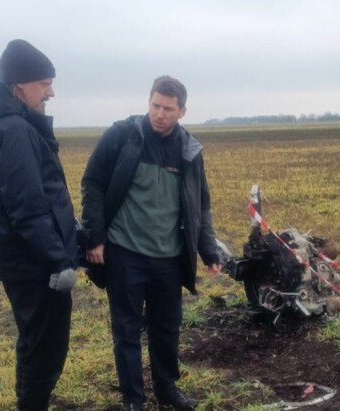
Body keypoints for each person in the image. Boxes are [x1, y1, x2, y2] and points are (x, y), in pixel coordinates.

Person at [81, 75, 222, 411]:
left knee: (166, 328)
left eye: (168, 109)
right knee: (127, 331)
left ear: (182, 112)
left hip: (168, 258)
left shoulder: (188, 150)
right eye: (155, 105)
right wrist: (95, 238)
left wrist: (208, 250)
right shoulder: (122, 136)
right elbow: (93, 184)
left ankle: (166, 388)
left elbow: (199, 203)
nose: (159, 114)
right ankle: (133, 399)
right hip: (124, 253)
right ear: (149, 102)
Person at [0, 39, 78, 411]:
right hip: (35, 265)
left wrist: (70, 225)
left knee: (34, 340)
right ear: (20, 85)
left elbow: (37, 196)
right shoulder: (15, 131)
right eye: (44, 83)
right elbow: (26, 206)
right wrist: (57, 260)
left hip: (22, 259)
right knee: (45, 348)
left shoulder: (5, 125)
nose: (51, 91)